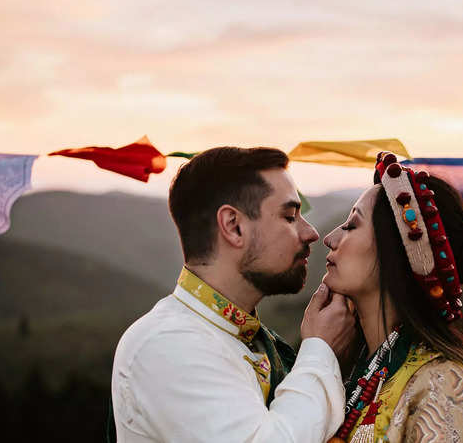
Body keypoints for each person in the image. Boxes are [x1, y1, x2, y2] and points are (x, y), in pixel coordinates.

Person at [111, 146, 355, 442]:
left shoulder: (243, 337)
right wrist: (320, 351)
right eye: (290, 216)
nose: (311, 233)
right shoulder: (168, 343)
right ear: (233, 226)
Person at [322, 152, 463, 443]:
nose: (329, 238)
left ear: (394, 250)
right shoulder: (362, 374)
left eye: (351, 226)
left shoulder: (443, 391)